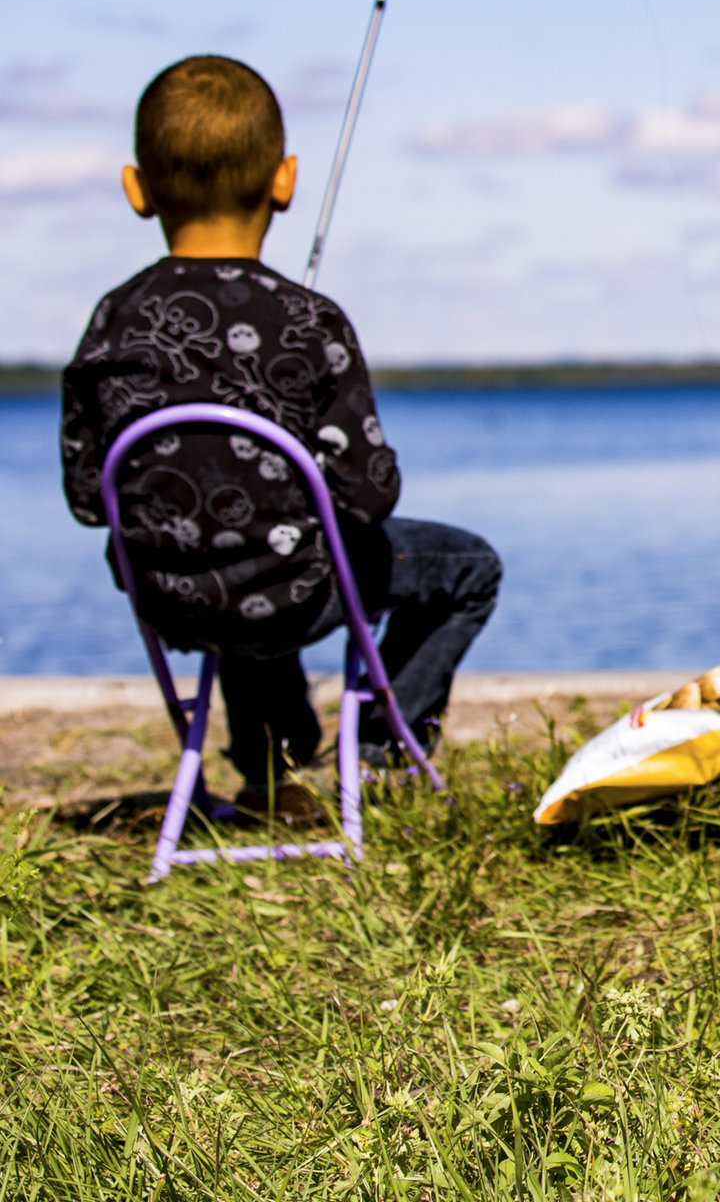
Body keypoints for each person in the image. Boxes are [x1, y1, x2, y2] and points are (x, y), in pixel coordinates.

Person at [59, 56, 500, 824]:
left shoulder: (111, 321)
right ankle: (381, 760)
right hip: (290, 590)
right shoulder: (310, 320)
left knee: (247, 553)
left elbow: (86, 499)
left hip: (171, 598)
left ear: (137, 190)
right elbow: (369, 494)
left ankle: (272, 774)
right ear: (284, 180)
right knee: (467, 569)